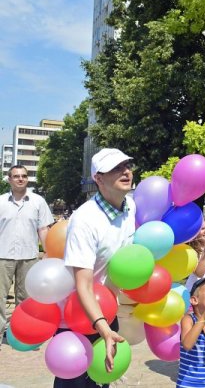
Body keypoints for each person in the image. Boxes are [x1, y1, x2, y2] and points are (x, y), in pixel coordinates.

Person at [59, 148, 136, 387]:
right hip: (78, 316)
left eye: (127, 165)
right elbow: (83, 285)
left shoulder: (130, 207)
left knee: (101, 379)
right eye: (115, 168)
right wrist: (102, 327)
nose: (126, 172)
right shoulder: (85, 220)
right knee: (74, 383)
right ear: (98, 179)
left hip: (107, 311)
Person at [0, 165, 54, 336]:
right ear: (9, 179)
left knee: (25, 299)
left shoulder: (38, 201)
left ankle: (19, 333)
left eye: (24, 176)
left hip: (29, 257)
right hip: (3, 256)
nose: (20, 179)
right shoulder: (0, 201)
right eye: (16, 176)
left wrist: (47, 252)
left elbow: (43, 229)